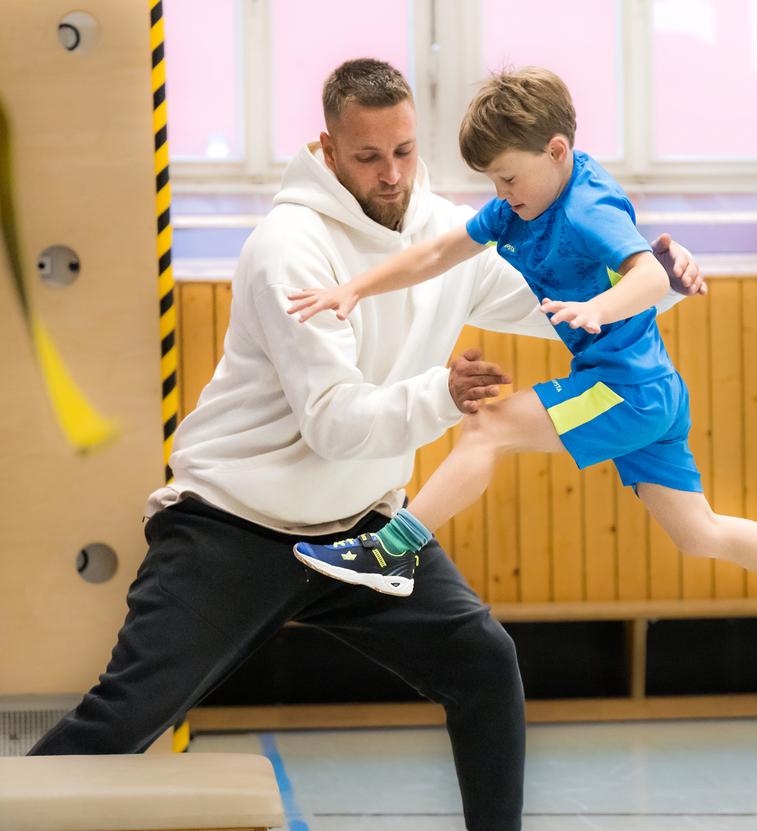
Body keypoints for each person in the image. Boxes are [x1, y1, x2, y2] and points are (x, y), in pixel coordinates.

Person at [29, 58, 706, 831]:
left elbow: (566, 305)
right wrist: (441, 396)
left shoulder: (446, 232)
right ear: (327, 148)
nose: (392, 174)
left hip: (363, 531)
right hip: (235, 525)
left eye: (406, 151)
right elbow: (334, 423)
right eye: (368, 156)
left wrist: (658, 272)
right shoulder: (289, 247)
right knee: (118, 722)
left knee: (485, 664)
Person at [289, 67, 757, 668]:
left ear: (555, 152)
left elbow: (651, 275)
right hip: (653, 389)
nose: (502, 193)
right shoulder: (521, 206)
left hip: (624, 389)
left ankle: (393, 550)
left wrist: (595, 309)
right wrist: (358, 288)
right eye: (494, 182)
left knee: (487, 426)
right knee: (698, 532)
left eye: (508, 178)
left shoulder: (585, 208)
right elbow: (440, 251)